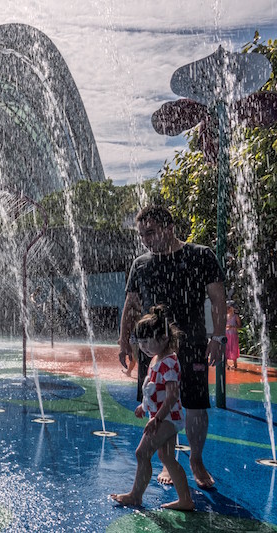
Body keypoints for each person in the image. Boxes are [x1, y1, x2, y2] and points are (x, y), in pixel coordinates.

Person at [118, 205, 225, 489]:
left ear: (169, 227)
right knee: (158, 402)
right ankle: (169, 461)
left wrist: (218, 337)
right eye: (142, 235)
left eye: (150, 232)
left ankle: (196, 460)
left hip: (192, 344)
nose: (146, 240)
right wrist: (123, 342)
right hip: (152, 347)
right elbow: (130, 304)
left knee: (195, 404)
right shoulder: (141, 264)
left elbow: (217, 299)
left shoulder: (200, 256)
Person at [111, 305, 194, 511]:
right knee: (165, 457)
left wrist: (156, 418)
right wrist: (144, 406)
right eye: (141, 343)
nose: (144, 347)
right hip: (165, 416)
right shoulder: (158, 359)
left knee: (142, 453)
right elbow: (154, 388)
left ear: (164, 338)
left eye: (148, 342)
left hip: (167, 418)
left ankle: (135, 496)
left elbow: (173, 394)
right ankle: (185, 499)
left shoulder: (168, 362)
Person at [225, 300, 242, 370]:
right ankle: (226, 364)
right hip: (226, 334)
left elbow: (239, 326)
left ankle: (235, 364)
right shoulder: (225, 316)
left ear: (232, 309)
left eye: (228, 308)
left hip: (233, 335)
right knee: (226, 348)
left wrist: (232, 327)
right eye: (227, 308)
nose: (227, 309)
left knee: (234, 348)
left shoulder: (235, 316)